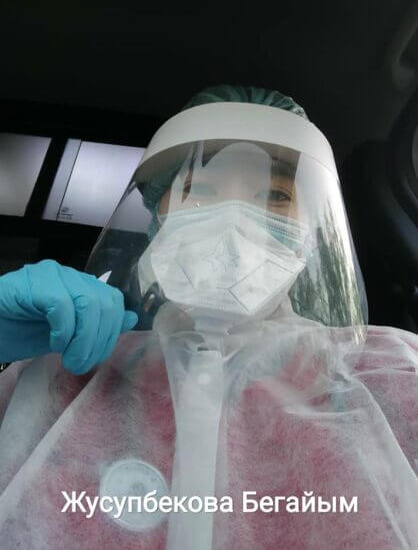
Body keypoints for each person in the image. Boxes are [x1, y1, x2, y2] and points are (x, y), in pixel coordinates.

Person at [0, 85, 416, 549]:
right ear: (157, 214)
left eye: (275, 194)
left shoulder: (393, 369)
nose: (232, 220)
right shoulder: (68, 364)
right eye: (198, 190)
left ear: (311, 227)